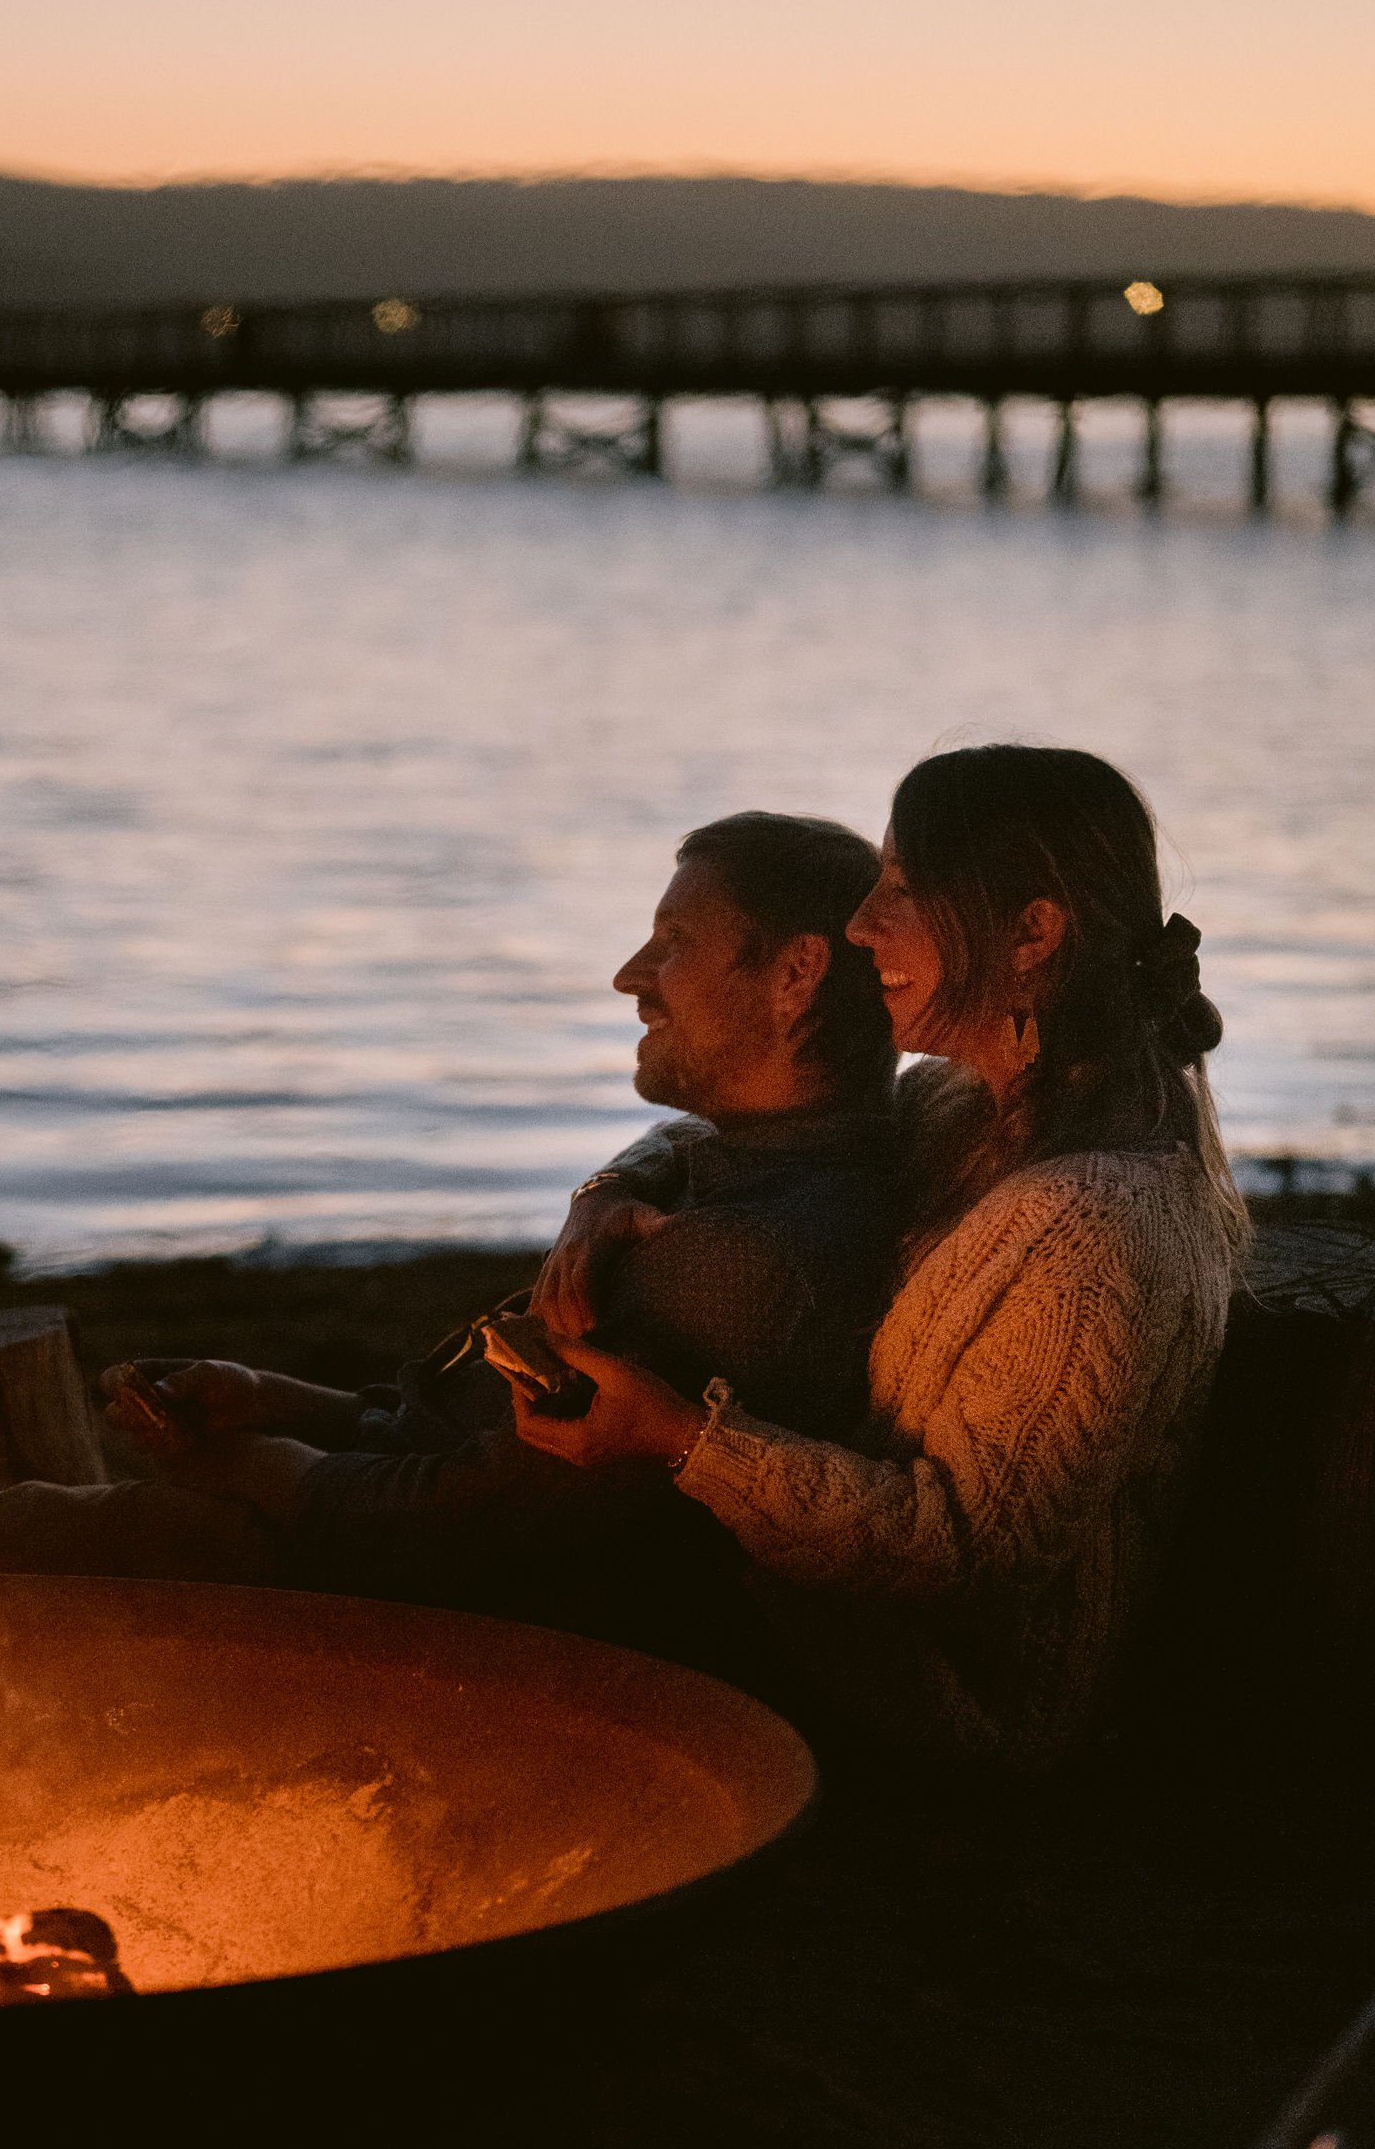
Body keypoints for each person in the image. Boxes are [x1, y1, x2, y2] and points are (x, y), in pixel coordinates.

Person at [0, 813, 906, 1617]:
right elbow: (477, 1442)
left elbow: (455, 1536)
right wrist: (287, 1397)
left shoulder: (740, 1261)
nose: (629, 974)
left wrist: (248, 1462)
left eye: (674, 943)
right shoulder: (731, 1173)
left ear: (796, 974)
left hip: (415, 1616)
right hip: (369, 1531)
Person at [502, 746, 1244, 1774]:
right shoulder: (969, 1105)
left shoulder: (1097, 1223)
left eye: (900, 891)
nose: (860, 926)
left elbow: (963, 1555)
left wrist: (681, 1440)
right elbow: (764, 1132)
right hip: (814, 1613)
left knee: (464, 1598)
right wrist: (607, 1196)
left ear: (1030, 932)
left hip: (942, 1699)